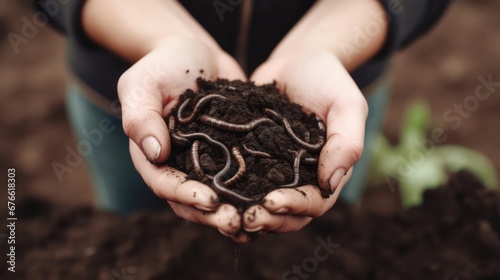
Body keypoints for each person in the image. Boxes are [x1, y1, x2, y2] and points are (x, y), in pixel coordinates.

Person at [35, 0, 450, 242]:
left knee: (316, 243)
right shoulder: (186, 114)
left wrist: (331, 41)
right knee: (138, 236)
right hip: (128, 88)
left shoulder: (303, 119)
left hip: (336, 84)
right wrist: (161, 36)